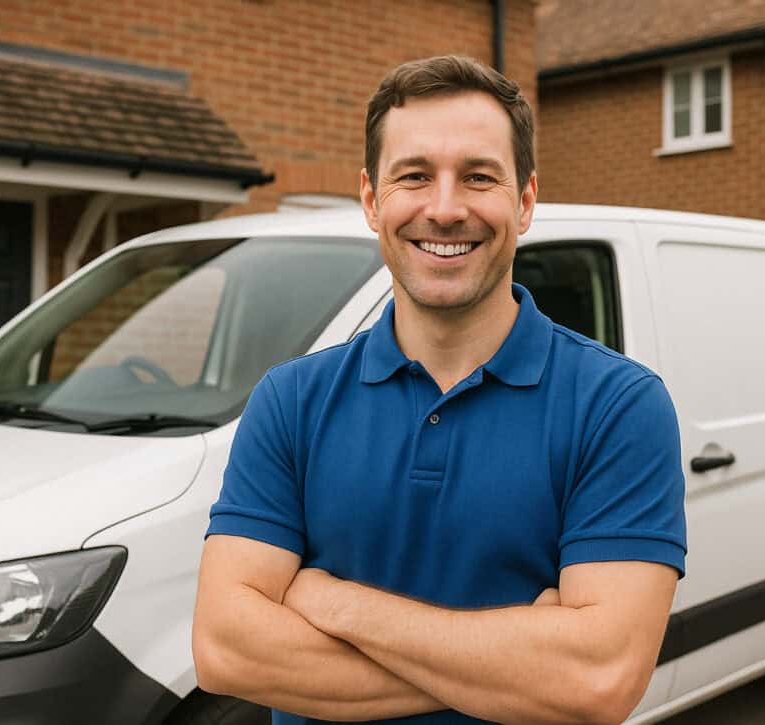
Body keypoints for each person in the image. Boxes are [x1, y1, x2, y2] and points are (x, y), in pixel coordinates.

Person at [192, 55, 686, 725]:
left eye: (479, 177)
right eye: (415, 176)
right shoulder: (291, 401)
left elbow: (598, 678)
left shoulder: (617, 406)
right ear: (372, 200)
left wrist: (338, 604)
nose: (445, 208)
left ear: (526, 200)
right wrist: (517, 666)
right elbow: (226, 650)